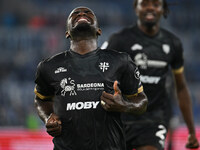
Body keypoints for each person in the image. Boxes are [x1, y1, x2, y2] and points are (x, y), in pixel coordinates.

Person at [34, 6, 148, 150]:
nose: (81, 13)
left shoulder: (121, 61)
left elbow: (142, 101)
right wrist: (49, 117)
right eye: (75, 14)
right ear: (67, 33)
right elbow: (40, 99)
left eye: (88, 13)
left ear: (99, 31)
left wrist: (124, 105)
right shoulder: (48, 67)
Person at [102, 0, 199, 150]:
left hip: (153, 120)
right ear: (136, 7)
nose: (150, 8)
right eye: (144, 3)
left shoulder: (173, 43)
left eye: (155, 4)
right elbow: (98, 72)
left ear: (162, 9)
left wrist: (191, 130)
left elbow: (181, 87)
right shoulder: (119, 40)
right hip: (120, 118)